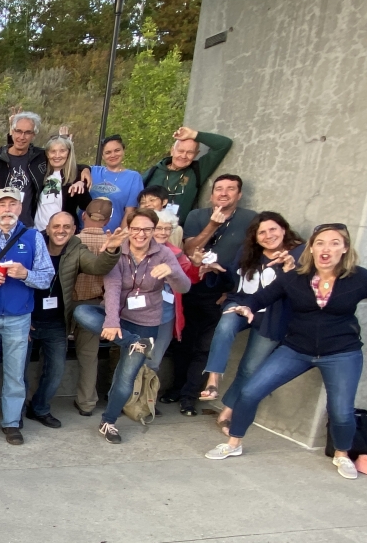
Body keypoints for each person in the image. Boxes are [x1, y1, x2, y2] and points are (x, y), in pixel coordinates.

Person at [206, 224, 367, 479]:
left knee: (341, 411)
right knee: (251, 391)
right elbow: (261, 297)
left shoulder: (360, 278)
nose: (326, 248)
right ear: (311, 247)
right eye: (320, 242)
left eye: (334, 243)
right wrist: (246, 307)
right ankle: (234, 444)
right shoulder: (296, 277)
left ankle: (342, 454)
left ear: (344, 248)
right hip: (296, 349)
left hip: (341, 352)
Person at [74, 209, 191, 443]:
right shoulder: (118, 250)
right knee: (81, 312)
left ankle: (109, 422)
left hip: (146, 323)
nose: (141, 234)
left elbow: (184, 287)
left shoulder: (164, 253)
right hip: (120, 321)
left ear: (154, 231)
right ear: (129, 229)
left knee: (125, 377)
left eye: (147, 229)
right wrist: (112, 322)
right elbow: (113, 286)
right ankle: (134, 343)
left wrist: (173, 272)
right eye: (136, 228)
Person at [196, 212, 303, 431]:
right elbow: (234, 279)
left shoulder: (297, 256)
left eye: (273, 229)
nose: (268, 235)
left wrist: (290, 269)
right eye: (261, 232)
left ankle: (228, 411)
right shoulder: (248, 253)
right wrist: (217, 271)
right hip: (240, 303)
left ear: (284, 229)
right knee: (225, 325)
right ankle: (213, 379)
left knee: (250, 368)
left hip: (272, 315)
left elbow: (299, 291)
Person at [166, 175, 259, 415]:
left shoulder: (251, 220)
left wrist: (232, 290)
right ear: (211, 194)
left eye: (230, 189)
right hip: (191, 285)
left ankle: (189, 397)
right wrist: (213, 225)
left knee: (205, 347)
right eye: (219, 189)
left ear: (239, 194)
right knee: (183, 343)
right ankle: (177, 387)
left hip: (222, 291)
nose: (224, 193)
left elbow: (252, 258)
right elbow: (189, 248)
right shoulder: (198, 216)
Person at [0, 188, 55, 445]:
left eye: (12, 204)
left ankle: (11, 422)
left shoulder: (33, 237)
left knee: (15, 373)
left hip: (19, 317)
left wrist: (25, 274)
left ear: (20, 207)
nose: (7, 209)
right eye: (2, 204)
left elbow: (47, 276)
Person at [25, 211, 122, 429]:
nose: (61, 231)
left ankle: (39, 408)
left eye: (67, 227)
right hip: (27, 318)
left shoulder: (77, 248)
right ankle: (18, 411)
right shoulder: (33, 244)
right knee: (19, 371)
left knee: (56, 370)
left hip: (56, 321)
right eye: (56, 226)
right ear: (48, 228)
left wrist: (112, 250)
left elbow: (99, 267)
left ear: (74, 230)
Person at [69, 198, 116, 417]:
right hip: (94, 304)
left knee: (53, 352)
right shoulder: (113, 245)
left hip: (67, 303)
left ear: (84, 216)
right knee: (89, 356)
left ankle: (42, 400)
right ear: (108, 220)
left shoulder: (73, 240)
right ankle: (86, 402)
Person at [142, 126, 233, 224]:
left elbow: (224, 144)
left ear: (196, 154)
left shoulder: (198, 170)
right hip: (148, 228)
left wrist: (194, 135)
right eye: (180, 151)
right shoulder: (154, 171)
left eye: (190, 152)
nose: (184, 156)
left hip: (179, 231)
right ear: (172, 150)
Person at [145, 209, 196, 381]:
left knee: (155, 360)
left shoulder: (177, 253)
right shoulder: (136, 249)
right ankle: (126, 400)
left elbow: (189, 280)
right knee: (133, 360)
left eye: (167, 229)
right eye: (159, 228)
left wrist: (196, 265)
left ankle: (144, 402)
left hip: (167, 314)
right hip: (138, 313)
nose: (163, 232)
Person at [0, 113, 47, 226]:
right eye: (18, 131)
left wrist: (83, 169)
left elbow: (64, 161)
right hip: (0, 226)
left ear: (34, 135)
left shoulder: (41, 157)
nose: (22, 137)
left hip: (27, 227)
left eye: (27, 132)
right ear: (12, 131)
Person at [33, 135, 91, 233]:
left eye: (62, 151)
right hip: (38, 233)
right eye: (53, 151)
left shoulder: (76, 177)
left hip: (62, 234)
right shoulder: (40, 173)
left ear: (69, 153)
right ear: (47, 154)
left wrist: (82, 189)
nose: (57, 155)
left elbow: (87, 206)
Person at [88, 135, 144, 233]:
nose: (113, 155)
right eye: (108, 152)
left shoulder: (133, 177)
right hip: (83, 233)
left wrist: (119, 238)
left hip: (111, 235)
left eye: (117, 150)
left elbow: (130, 212)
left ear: (123, 151)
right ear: (102, 156)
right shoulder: (92, 171)